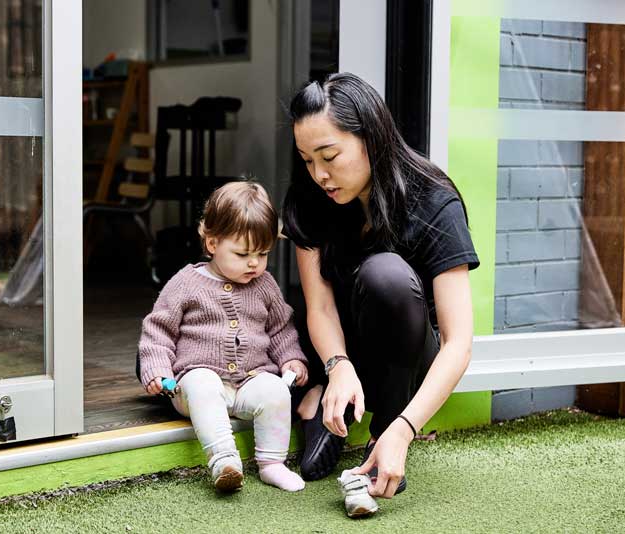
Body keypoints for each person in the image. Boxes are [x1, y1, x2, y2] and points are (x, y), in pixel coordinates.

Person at [283, 73, 479, 506]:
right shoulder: (309, 198)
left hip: (404, 357)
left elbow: (458, 343)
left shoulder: (432, 201)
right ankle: (320, 390)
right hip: (335, 345)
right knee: (313, 464)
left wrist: (403, 429)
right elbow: (319, 306)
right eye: (306, 160)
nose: (319, 174)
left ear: (371, 138)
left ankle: (380, 433)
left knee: (386, 275)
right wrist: (336, 366)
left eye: (329, 156)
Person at [138, 181, 309, 493]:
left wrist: (292, 360)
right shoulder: (186, 283)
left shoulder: (265, 285)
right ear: (213, 243)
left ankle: (272, 463)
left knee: (275, 393)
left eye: (263, 253)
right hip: (194, 383)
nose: (255, 263)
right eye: (243, 253)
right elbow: (158, 331)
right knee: (203, 384)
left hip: (249, 381)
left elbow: (281, 329)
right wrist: (158, 370)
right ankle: (224, 460)